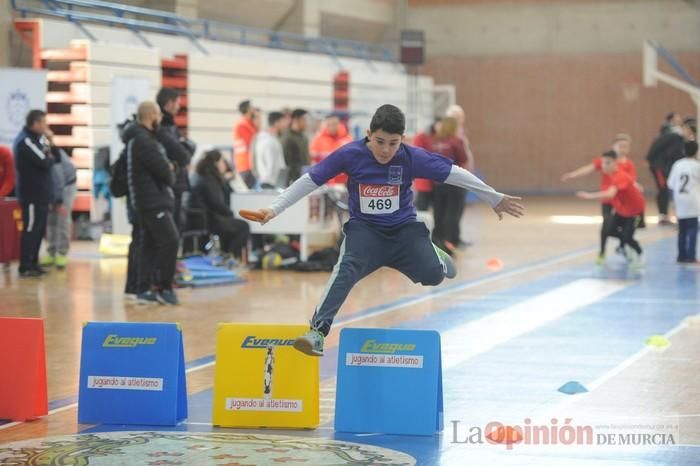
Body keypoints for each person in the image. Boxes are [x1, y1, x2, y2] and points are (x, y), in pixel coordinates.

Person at [245, 104, 524, 356]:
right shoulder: (350, 155)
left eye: (393, 143)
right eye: (379, 142)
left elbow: (455, 173)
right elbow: (310, 180)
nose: (385, 150)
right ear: (368, 134)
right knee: (344, 271)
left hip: (404, 231)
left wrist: (493, 197)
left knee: (433, 277)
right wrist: (274, 209)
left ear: (402, 139)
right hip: (365, 232)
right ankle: (317, 332)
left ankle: (434, 254)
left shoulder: (411, 157)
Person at [125, 101, 179, 305]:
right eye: (158, 114)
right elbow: (166, 173)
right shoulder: (143, 141)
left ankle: (143, 289)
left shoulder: (141, 139)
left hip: (147, 201)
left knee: (148, 245)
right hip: (152, 202)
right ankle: (164, 287)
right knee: (171, 240)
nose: (161, 119)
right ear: (152, 115)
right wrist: (170, 168)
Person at [562, 134, 639, 256]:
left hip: (622, 202)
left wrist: (636, 187)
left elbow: (631, 181)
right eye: (620, 146)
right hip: (607, 199)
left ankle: (625, 245)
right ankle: (603, 252)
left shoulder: (628, 165)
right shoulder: (606, 160)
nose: (622, 149)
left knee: (625, 229)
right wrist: (573, 174)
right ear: (613, 146)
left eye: (625, 147)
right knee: (606, 226)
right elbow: (589, 168)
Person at [13, 110, 62, 277]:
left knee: (39, 230)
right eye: (43, 123)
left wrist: (51, 142)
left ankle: (33, 263)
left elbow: (56, 158)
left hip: (42, 194)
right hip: (31, 195)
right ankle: (25, 265)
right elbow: (45, 162)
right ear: (35, 123)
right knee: (31, 229)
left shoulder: (39, 139)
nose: (46, 126)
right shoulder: (25, 141)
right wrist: (48, 157)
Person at [576, 150, 645, 266]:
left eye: (608, 163)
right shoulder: (613, 176)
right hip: (622, 210)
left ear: (615, 163)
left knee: (627, 237)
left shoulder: (620, 176)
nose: (604, 166)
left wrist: (589, 195)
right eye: (603, 163)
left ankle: (640, 254)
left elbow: (610, 194)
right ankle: (620, 247)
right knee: (607, 230)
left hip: (635, 212)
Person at [188, 150, 250, 259]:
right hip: (209, 220)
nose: (224, 164)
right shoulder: (209, 179)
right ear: (215, 163)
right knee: (243, 227)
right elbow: (217, 203)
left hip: (205, 218)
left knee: (232, 226)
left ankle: (226, 256)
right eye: (222, 161)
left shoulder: (204, 176)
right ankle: (231, 257)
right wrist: (231, 213)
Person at [156, 88, 195, 230]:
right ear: (168, 104)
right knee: (171, 228)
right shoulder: (163, 128)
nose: (179, 107)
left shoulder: (172, 126)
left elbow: (190, 147)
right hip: (171, 184)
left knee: (177, 225)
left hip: (177, 183)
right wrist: (184, 147)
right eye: (177, 103)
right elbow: (182, 155)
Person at [645, 117, 694, 225]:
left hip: (665, 167)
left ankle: (665, 215)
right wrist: (649, 159)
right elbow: (657, 145)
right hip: (659, 166)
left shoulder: (680, 140)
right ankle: (663, 216)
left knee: (665, 189)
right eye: (689, 131)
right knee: (663, 189)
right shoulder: (673, 137)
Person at [430, 117, 468, 254]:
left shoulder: (435, 142)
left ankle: (438, 240)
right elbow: (464, 159)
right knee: (453, 212)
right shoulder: (456, 141)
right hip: (453, 182)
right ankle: (451, 241)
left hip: (437, 182)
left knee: (439, 212)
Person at [40, 148, 76, 269]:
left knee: (62, 218)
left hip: (66, 186)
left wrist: (59, 202)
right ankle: (51, 251)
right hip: (53, 187)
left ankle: (62, 253)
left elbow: (59, 181)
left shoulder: (53, 160)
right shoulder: (40, 156)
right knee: (51, 219)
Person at [668, 141, 700, 264]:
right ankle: (691, 256)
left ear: (683, 150)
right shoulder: (697, 166)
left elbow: (670, 184)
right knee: (692, 230)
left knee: (682, 230)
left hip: (680, 200)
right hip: (693, 201)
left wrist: (672, 201)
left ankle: (681, 256)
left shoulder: (677, 165)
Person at [310, 114, 352, 185]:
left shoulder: (347, 139)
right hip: (323, 182)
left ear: (339, 124)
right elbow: (312, 159)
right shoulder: (318, 140)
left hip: (344, 183)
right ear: (326, 125)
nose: (332, 127)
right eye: (330, 124)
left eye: (335, 124)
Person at [412, 118, 440, 211]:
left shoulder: (438, 138)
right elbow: (419, 156)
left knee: (436, 211)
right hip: (424, 182)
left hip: (436, 182)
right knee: (422, 209)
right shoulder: (422, 137)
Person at [254, 111, 287, 189]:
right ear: (276, 123)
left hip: (272, 184)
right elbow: (271, 166)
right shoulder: (268, 142)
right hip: (270, 185)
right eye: (283, 122)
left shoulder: (270, 139)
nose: (285, 126)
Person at [232, 100, 259, 188]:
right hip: (246, 166)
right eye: (252, 108)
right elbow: (253, 143)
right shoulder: (242, 125)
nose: (254, 109)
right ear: (248, 110)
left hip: (250, 165)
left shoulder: (250, 124)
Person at [281, 108, 310, 185]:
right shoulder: (288, 138)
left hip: (304, 178)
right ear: (296, 120)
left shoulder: (304, 137)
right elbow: (286, 161)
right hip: (292, 181)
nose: (306, 123)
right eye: (303, 120)